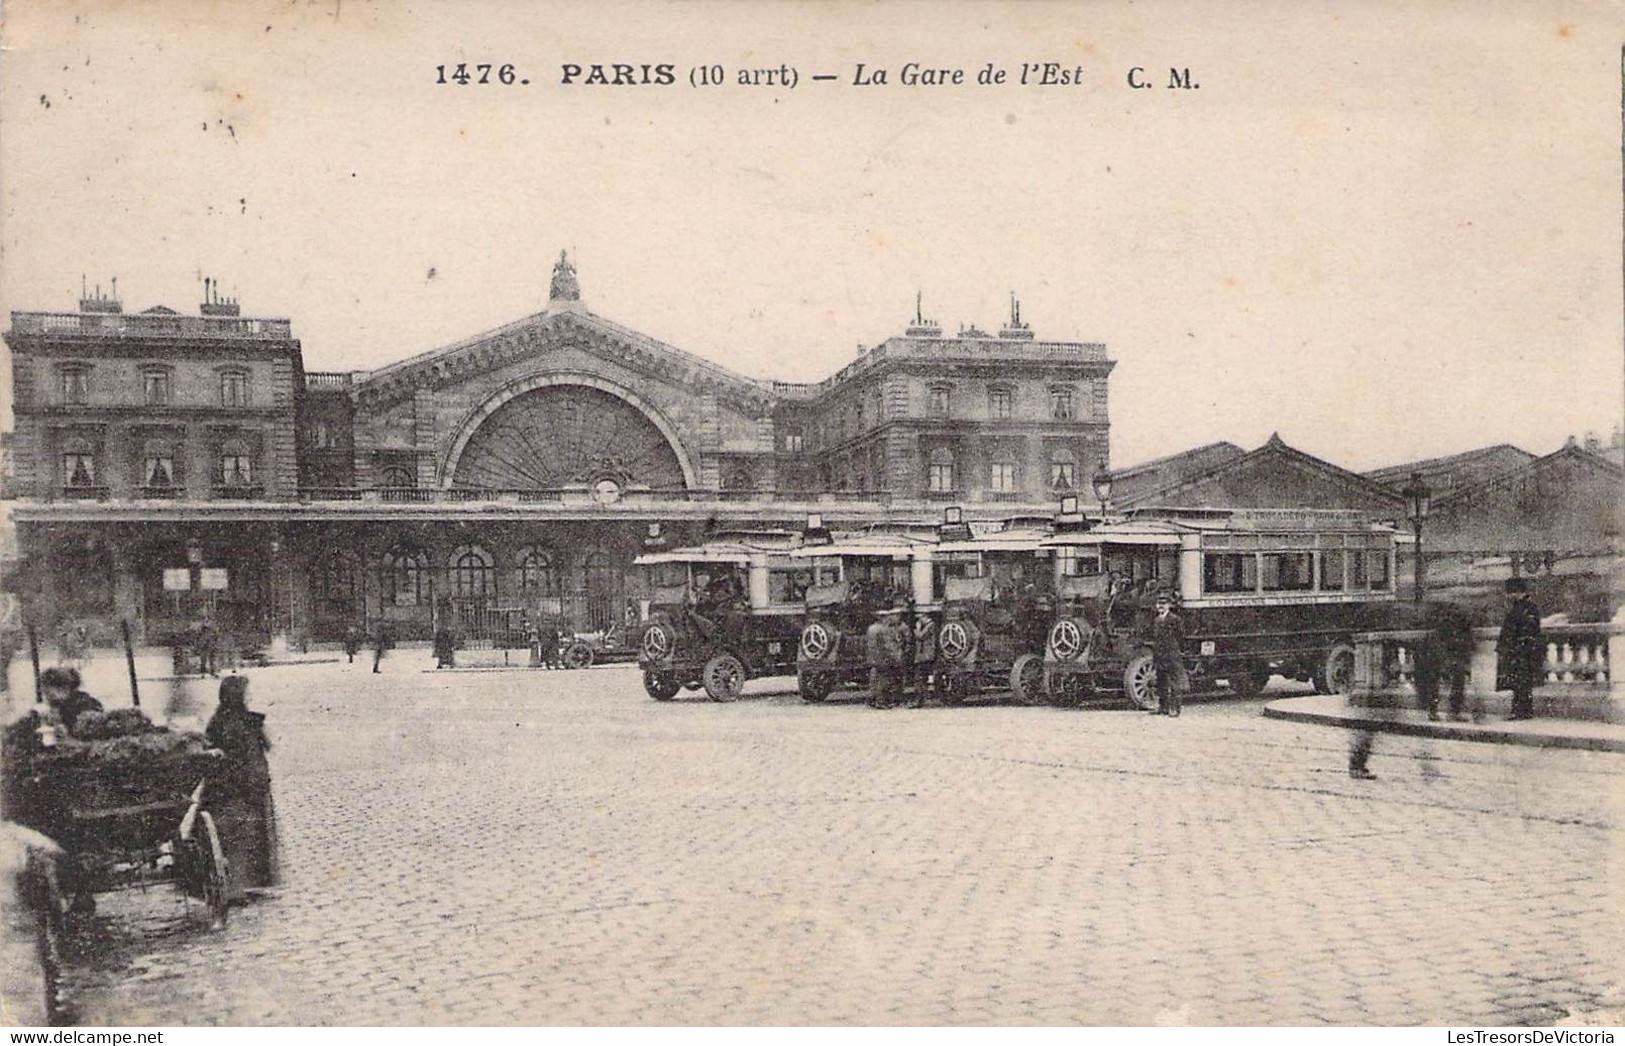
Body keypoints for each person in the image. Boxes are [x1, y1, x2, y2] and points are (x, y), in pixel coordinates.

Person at [204, 676, 278, 900]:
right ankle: (240, 886)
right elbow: (265, 745)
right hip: (238, 787)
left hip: (246, 783)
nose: (250, 697)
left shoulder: (221, 720)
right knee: (242, 835)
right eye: (246, 694)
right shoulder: (241, 722)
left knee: (249, 833)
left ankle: (248, 883)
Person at [1497, 578, 1545, 721]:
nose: (1508, 596)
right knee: (1519, 683)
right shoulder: (1521, 607)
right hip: (1519, 651)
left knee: (1522, 682)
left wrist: (1515, 647)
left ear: (1518, 592)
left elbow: (1528, 630)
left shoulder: (1527, 608)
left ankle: (1522, 711)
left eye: (1510, 593)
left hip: (1522, 652)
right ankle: (1521, 711)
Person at [1419, 601, 1475, 722]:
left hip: (1452, 656)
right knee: (1437, 682)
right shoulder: (1443, 627)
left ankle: (1449, 711)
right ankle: (1437, 711)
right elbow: (1439, 645)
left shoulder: (1461, 626)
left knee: (1455, 682)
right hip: (1442, 656)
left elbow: (1468, 644)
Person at [1149, 592, 1187, 717]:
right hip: (1159, 656)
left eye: (1163, 604)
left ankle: (1175, 709)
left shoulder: (1175, 619)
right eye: (1159, 604)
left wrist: (1177, 650)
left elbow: (1180, 636)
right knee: (1161, 682)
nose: (1160, 606)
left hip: (1171, 655)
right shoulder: (1156, 620)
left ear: (1169, 605)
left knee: (1174, 682)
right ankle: (1163, 707)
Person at [38, 666, 103, 737]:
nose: (46, 697)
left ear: (64, 688)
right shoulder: (59, 704)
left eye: (48, 693)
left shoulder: (84, 704)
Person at [866, 607, 908, 709]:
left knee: (874, 679)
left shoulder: (871, 628)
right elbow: (888, 645)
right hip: (883, 658)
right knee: (883, 680)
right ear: (882, 618)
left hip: (873, 658)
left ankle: (873, 699)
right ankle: (881, 702)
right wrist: (895, 657)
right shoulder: (883, 629)